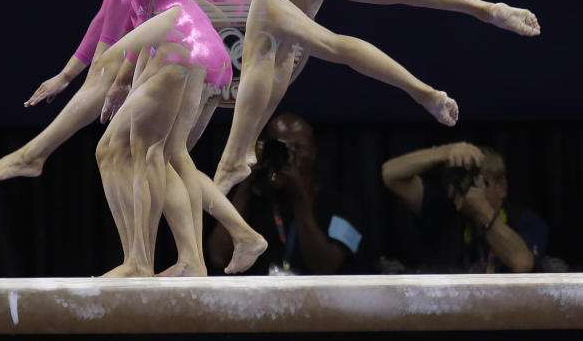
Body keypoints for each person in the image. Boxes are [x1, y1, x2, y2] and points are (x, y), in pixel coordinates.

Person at [208, 114, 367, 275]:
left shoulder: (339, 204)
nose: (286, 156)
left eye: (296, 148)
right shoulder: (249, 199)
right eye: (278, 148)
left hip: (314, 297)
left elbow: (326, 267)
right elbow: (218, 257)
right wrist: (246, 184)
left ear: (313, 152)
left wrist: (299, 198)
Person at [381, 142, 548, 273]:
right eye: (464, 181)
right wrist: (445, 152)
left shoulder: (526, 221)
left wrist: (482, 212)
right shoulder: (447, 212)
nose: (467, 189)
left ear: (501, 186)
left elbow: (522, 263)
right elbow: (390, 174)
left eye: (477, 180)